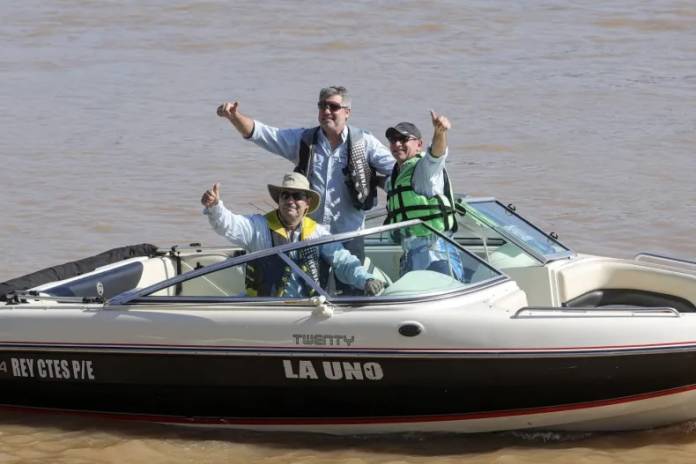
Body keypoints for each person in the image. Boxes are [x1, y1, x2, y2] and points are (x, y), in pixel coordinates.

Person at [216, 86, 395, 235]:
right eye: (322, 106)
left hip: (351, 235)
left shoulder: (364, 142)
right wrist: (234, 117)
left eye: (333, 107)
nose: (326, 111)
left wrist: (381, 182)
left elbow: (399, 169)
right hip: (311, 235)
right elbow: (263, 134)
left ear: (347, 112)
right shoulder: (304, 140)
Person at [201, 172, 385, 297]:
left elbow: (343, 262)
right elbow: (229, 225)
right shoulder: (258, 227)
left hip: (307, 310)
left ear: (307, 203)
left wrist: (366, 280)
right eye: (285, 195)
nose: (290, 201)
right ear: (279, 200)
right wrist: (215, 207)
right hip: (261, 309)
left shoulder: (318, 234)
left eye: (297, 196)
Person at [384, 111, 462, 278]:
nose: (397, 143)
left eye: (403, 139)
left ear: (419, 144)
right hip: (412, 255)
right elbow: (389, 187)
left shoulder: (425, 169)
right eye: (393, 140)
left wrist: (439, 132)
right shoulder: (396, 175)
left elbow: (437, 154)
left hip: (438, 256)